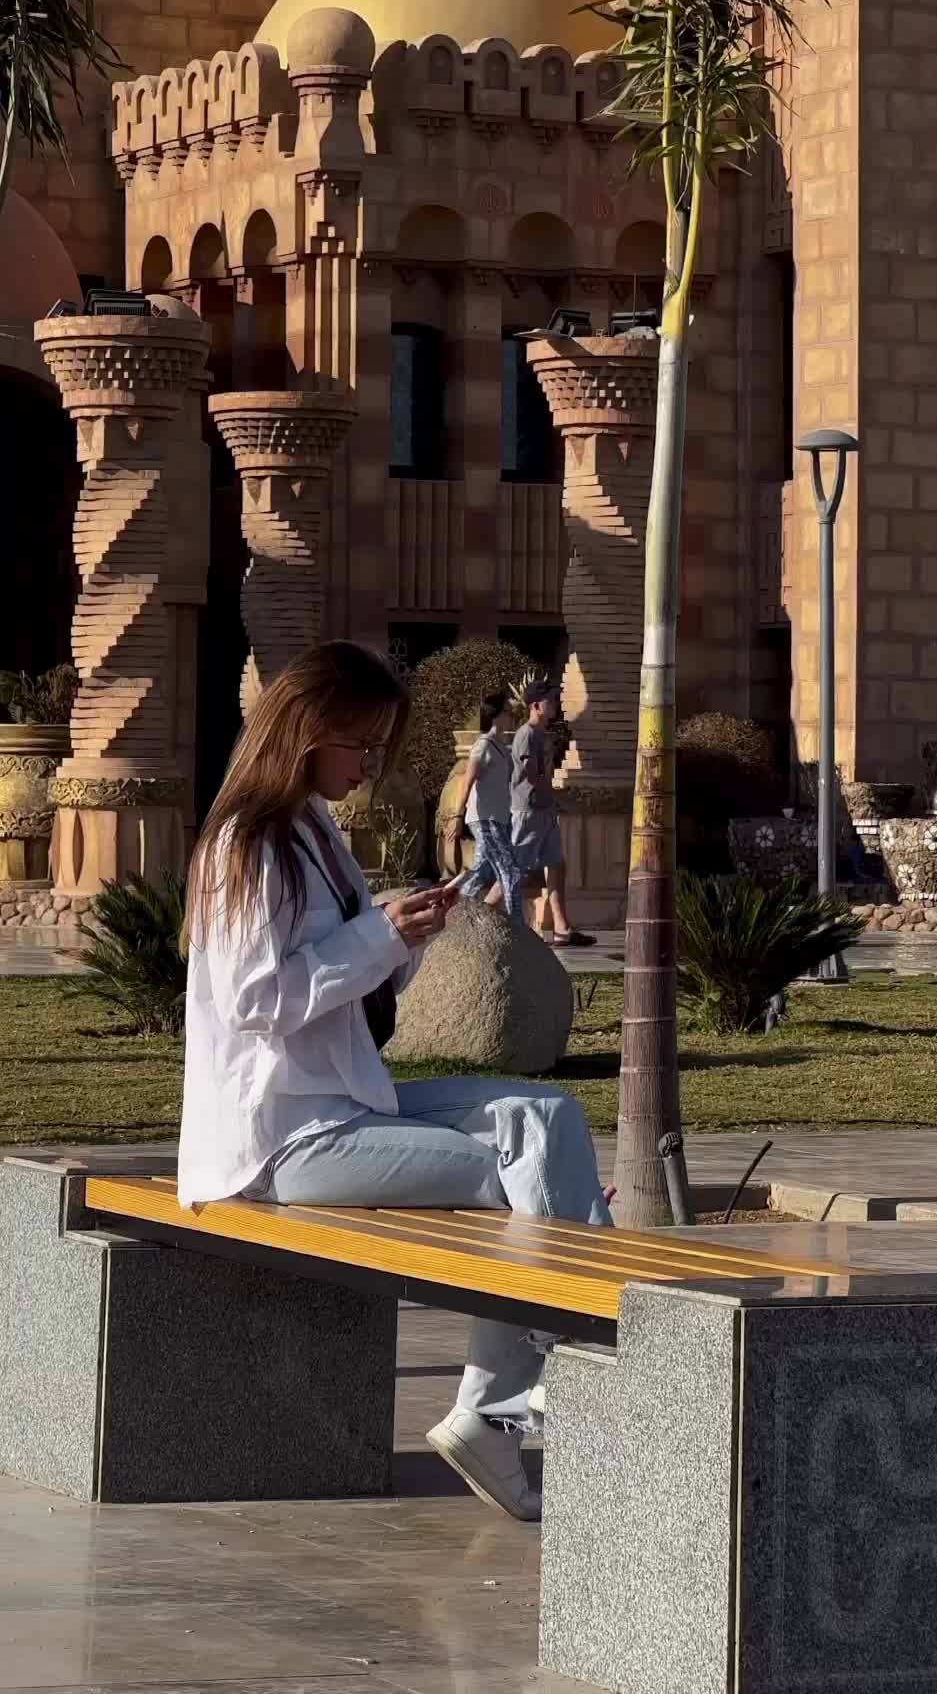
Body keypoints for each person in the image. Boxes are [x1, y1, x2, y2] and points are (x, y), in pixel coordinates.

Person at [179, 640, 612, 1522]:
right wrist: (376, 938)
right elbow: (261, 997)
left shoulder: (314, 832)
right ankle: (527, 1396)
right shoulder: (247, 843)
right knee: (515, 1174)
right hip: (280, 1138)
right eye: (359, 745)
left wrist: (401, 936)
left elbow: (342, 979)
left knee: (549, 1116)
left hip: (342, 1103)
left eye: (379, 747)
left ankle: (507, 1400)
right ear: (304, 734)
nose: (370, 765)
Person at [511, 680, 595, 948]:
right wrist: (556, 795)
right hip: (529, 811)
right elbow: (533, 775)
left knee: (557, 865)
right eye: (550, 700)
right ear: (535, 705)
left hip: (545, 810)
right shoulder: (527, 735)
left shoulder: (543, 735)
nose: (555, 705)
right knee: (514, 869)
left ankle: (562, 930)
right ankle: (489, 919)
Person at [450, 691, 523, 922]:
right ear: (495, 716)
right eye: (507, 713)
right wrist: (457, 815)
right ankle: (517, 926)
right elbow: (467, 780)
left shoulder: (501, 747)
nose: (511, 717)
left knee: (481, 872)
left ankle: (455, 913)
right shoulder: (483, 745)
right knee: (510, 873)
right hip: (485, 820)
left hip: (499, 820)